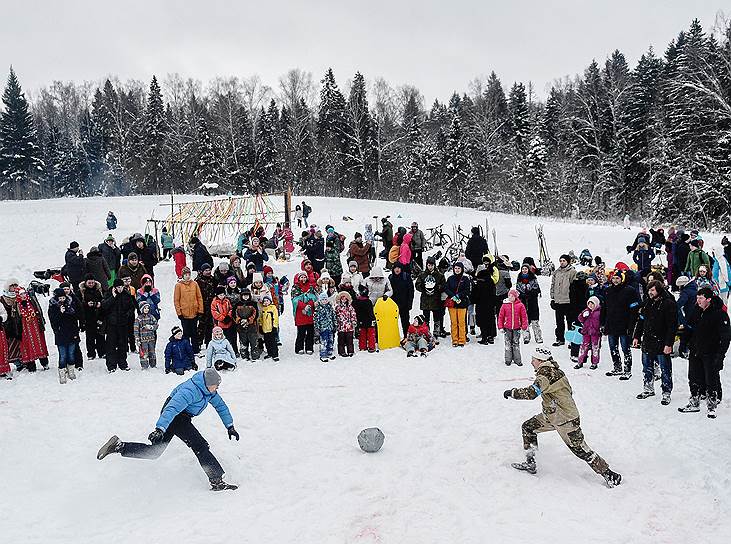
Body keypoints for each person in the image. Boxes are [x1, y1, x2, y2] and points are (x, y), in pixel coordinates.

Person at [96, 368, 239, 491]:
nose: (217, 388)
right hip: (175, 416)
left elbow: (221, 406)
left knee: (154, 452)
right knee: (200, 445)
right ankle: (216, 481)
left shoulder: (209, 391)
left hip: (182, 416)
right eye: (215, 386)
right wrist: (160, 428)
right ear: (207, 384)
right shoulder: (189, 391)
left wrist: (230, 426)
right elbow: (171, 409)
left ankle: (119, 446)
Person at [504, 347, 622, 487]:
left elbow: (531, 393)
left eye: (533, 360)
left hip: (565, 419)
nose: (531, 362)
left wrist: (512, 393)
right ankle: (531, 463)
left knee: (580, 449)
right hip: (552, 415)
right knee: (528, 427)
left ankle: (609, 474)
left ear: (541, 361)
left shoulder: (546, 375)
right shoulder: (553, 370)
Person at [677, 288, 730, 418]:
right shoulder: (696, 310)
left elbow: (726, 337)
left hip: (711, 352)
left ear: (708, 299)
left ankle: (712, 406)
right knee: (693, 377)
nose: (698, 301)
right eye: (697, 298)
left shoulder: (719, 314)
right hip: (696, 349)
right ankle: (694, 402)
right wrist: (683, 343)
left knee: (710, 379)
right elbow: (689, 327)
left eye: (701, 298)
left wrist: (720, 356)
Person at [633, 280, 678, 405]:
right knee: (647, 366)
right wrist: (636, 336)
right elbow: (641, 320)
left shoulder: (668, 303)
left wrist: (669, 344)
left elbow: (672, 326)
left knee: (665, 368)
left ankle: (666, 392)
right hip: (648, 340)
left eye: (652, 290)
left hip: (662, 341)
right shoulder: (647, 302)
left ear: (659, 290)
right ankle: (648, 388)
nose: (650, 292)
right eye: (649, 290)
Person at [603, 271, 640, 379]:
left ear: (622, 279)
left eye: (618, 278)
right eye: (614, 278)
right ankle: (617, 367)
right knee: (613, 347)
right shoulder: (608, 290)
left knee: (625, 348)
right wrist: (603, 323)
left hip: (625, 324)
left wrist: (632, 324)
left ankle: (627, 370)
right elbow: (605, 308)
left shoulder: (629, 290)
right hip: (611, 324)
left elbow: (635, 307)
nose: (615, 280)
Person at [101, 278, 137, 373]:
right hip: (111, 325)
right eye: (118, 287)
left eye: (121, 287)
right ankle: (111, 365)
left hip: (123, 324)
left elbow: (131, 307)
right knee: (111, 345)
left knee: (123, 344)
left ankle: (122, 363)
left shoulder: (126, 294)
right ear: (114, 287)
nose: (120, 289)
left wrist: (127, 315)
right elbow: (104, 306)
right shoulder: (108, 294)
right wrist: (113, 297)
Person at [48, 287, 80, 384]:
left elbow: (75, 317)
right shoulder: (53, 307)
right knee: (63, 355)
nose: (62, 300)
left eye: (63, 298)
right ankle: (62, 371)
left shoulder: (71, 304)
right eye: (60, 298)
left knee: (71, 354)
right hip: (61, 334)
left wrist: (69, 310)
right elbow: (53, 321)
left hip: (72, 333)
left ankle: (71, 370)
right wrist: (60, 313)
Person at [174, 267, 204, 355]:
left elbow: (199, 297)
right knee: (186, 333)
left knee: (194, 332)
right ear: (182, 275)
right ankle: (187, 350)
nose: (187, 276)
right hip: (184, 313)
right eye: (185, 275)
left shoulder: (194, 284)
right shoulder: (178, 285)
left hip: (194, 313)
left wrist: (200, 310)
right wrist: (179, 313)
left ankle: (196, 350)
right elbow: (176, 300)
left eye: (189, 274)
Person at [415, 256, 447, 339]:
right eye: (429, 265)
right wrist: (422, 286)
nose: (430, 267)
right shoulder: (422, 274)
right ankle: (426, 332)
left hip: (436, 299)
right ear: (426, 265)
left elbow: (444, 285)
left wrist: (438, 287)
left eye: (432, 265)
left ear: (434, 265)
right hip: (425, 299)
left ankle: (436, 332)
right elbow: (417, 285)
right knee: (426, 318)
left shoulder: (439, 275)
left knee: (437, 317)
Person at [550, 254, 577, 346]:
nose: (562, 262)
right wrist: (553, 297)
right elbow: (553, 285)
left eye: (564, 261)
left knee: (570, 322)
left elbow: (574, 287)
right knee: (559, 322)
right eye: (560, 261)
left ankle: (571, 340)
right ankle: (560, 339)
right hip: (558, 301)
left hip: (568, 301)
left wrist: (573, 299)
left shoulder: (572, 271)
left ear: (568, 262)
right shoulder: (556, 272)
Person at [497, 289, 529, 366]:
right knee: (508, 344)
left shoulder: (520, 305)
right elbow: (501, 316)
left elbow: (524, 317)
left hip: (517, 328)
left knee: (516, 343)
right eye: (509, 296)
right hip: (507, 328)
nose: (510, 297)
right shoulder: (504, 305)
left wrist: (524, 327)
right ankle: (508, 359)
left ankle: (517, 360)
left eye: (512, 296)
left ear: (515, 297)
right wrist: (500, 326)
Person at [444, 261, 471, 347]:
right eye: (455, 268)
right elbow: (446, 288)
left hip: (462, 303)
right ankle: (455, 339)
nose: (457, 270)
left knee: (462, 322)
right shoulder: (450, 278)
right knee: (454, 322)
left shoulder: (465, 279)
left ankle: (462, 339)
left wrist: (459, 295)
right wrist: (453, 296)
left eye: (459, 268)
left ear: (462, 269)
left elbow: (467, 290)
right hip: (452, 303)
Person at [78, 276, 105, 359]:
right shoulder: (81, 291)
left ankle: (102, 352)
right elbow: (78, 305)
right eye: (89, 283)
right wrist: (86, 304)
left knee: (100, 336)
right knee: (90, 337)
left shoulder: (100, 290)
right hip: (88, 317)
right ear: (85, 283)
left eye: (92, 283)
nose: (91, 284)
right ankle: (91, 354)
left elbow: (105, 300)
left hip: (99, 315)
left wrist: (100, 304)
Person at [515, 264, 543, 344]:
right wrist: (521, 294)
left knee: (535, 320)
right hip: (523, 301)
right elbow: (517, 289)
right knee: (524, 320)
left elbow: (536, 288)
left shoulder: (533, 278)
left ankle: (538, 337)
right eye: (523, 269)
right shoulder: (519, 278)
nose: (524, 270)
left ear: (528, 270)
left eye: (526, 269)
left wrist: (531, 293)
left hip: (532, 301)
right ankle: (526, 337)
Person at [575, 296, 602, 370]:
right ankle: (580, 362)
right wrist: (582, 315)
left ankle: (594, 363)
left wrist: (601, 328)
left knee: (595, 348)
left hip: (595, 333)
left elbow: (602, 321)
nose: (590, 305)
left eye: (592, 304)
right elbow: (580, 319)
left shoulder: (599, 312)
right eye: (589, 304)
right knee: (583, 347)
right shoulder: (586, 311)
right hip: (586, 332)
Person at [389, 262, 414, 338]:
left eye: (399, 268)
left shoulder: (406, 277)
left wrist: (410, 303)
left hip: (404, 304)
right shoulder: (390, 277)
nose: (397, 269)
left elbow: (411, 291)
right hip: (393, 305)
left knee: (405, 322)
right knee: (392, 322)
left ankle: (407, 337)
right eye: (395, 268)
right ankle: (393, 337)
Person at [195, 264, 217, 348]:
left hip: (211, 305)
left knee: (210, 325)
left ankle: (208, 342)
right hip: (202, 306)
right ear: (202, 271)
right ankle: (199, 343)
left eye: (209, 270)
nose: (208, 272)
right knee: (201, 325)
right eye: (206, 270)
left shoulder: (213, 279)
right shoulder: (198, 281)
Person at [235, 288, 260, 361]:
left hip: (252, 326)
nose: (245, 297)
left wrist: (249, 320)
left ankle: (255, 356)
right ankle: (244, 356)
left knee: (253, 341)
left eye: (247, 295)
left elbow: (256, 314)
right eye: (244, 295)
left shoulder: (253, 304)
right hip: (241, 326)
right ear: (241, 296)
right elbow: (234, 314)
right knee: (243, 341)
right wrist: (240, 320)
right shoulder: (238, 304)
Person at [211, 286, 237, 355]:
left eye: (223, 294)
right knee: (222, 338)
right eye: (220, 295)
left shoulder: (227, 301)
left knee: (231, 338)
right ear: (217, 295)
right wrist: (223, 318)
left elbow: (231, 309)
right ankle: (223, 352)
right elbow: (214, 312)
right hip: (220, 324)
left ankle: (234, 350)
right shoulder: (214, 302)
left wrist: (228, 316)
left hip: (229, 322)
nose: (222, 296)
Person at [133, 301, 158, 369]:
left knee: (152, 351)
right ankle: (144, 366)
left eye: (147, 308)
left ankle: (153, 364)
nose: (147, 309)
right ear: (141, 309)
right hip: (143, 340)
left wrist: (151, 327)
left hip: (151, 338)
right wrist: (137, 339)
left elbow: (156, 325)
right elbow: (136, 330)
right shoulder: (138, 319)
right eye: (145, 308)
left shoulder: (151, 317)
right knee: (144, 353)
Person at [314, 291, 337, 362]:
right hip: (322, 328)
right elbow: (316, 319)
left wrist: (335, 324)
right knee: (324, 341)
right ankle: (323, 354)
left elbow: (334, 316)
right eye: (322, 300)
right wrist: (317, 328)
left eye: (325, 299)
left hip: (330, 327)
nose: (324, 301)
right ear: (320, 300)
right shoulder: (318, 309)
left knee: (331, 340)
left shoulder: (330, 307)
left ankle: (329, 352)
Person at [335, 291, 357, 357]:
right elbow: (335, 315)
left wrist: (353, 321)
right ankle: (341, 351)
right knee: (341, 340)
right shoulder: (338, 307)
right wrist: (336, 322)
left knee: (349, 340)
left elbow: (353, 314)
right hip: (341, 326)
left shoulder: (350, 307)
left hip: (349, 326)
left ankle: (350, 351)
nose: (344, 300)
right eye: (342, 299)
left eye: (345, 299)